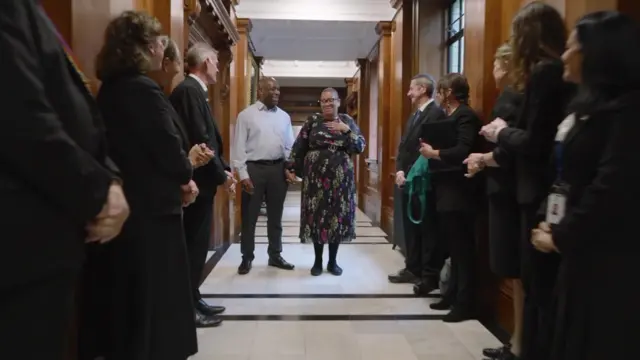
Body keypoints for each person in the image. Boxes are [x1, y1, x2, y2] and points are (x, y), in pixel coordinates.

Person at [0, 1, 129, 359]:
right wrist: (99, 191)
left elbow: (82, 113)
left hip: (44, 240)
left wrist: (110, 178)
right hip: (21, 244)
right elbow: (22, 119)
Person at [465, 2, 573, 359]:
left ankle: (525, 348)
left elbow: (534, 142)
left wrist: (502, 133)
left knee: (535, 285)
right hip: (541, 193)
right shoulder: (555, 75)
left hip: (532, 193)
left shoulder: (544, 75)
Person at [531, 11, 640, 360]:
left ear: (598, 54)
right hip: (580, 253)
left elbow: (611, 187)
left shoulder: (628, 111)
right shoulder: (591, 106)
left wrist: (561, 235)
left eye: (571, 47)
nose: (564, 55)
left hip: (608, 262)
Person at [94, 11, 197, 359]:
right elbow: (169, 150)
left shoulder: (112, 88)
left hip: (134, 210)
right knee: (156, 310)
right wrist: (186, 175)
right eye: (156, 41)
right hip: (152, 215)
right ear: (142, 47)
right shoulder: (143, 90)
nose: (160, 47)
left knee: (134, 306)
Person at [170, 42, 234, 327]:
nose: (219, 67)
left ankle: (193, 297)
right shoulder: (188, 91)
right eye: (216, 61)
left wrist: (225, 171)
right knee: (192, 246)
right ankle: (185, 308)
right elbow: (201, 139)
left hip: (204, 182)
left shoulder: (196, 91)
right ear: (206, 61)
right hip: (195, 183)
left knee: (197, 247)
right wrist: (224, 175)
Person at [420, 73, 481, 322]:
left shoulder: (465, 115)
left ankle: (464, 302)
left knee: (462, 249)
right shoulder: (450, 115)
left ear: (450, 93)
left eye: (442, 91)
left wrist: (433, 153)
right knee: (452, 247)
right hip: (445, 188)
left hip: (459, 191)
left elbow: (462, 150)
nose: (439, 95)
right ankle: (451, 294)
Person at [287, 88, 366, 276]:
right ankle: (317, 261)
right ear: (320, 103)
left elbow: (360, 146)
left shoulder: (347, 121)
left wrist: (346, 132)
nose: (328, 104)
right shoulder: (312, 121)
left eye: (331, 100)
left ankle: (332, 262)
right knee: (316, 218)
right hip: (316, 181)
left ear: (339, 102)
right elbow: (299, 146)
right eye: (324, 101)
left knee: (336, 219)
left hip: (341, 181)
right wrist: (290, 167)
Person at [481, 43, 525, 360]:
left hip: (511, 194)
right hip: (510, 192)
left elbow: (510, 150)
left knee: (517, 271)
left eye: (495, 65)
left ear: (506, 66)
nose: (493, 72)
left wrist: (483, 158)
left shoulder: (513, 98)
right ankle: (518, 341)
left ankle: (520, 343)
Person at [231, 77, 296, 275]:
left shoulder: (284, 117)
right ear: (260, 90)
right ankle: (247, 257)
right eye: (271, 89)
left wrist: (289, 167)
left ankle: (275, 255)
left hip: (277, 170)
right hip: (254, 171)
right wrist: (243, 175)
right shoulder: (246, 115)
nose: (276, 92)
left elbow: (289, 146)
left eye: (278, 89)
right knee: (249, 218)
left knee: (275, 217)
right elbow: (238, 148)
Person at [389, 74, 446, 289]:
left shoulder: (435, 114)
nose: (408, 93)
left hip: (422, 181)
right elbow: (405, 147)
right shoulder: (415, 115)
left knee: (425, 228)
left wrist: (410, 172)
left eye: (411, 89)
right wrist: (400, 170)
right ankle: (412, 267)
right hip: (408, 178)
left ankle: (426, 273)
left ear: (422, 89)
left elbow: (425, 149)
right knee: (411, 228)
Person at [149, 36, 215, 170]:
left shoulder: (159, 94)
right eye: (172, 75)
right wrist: (188, 162)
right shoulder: (187, 90)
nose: (169, 82)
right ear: (166, 64)